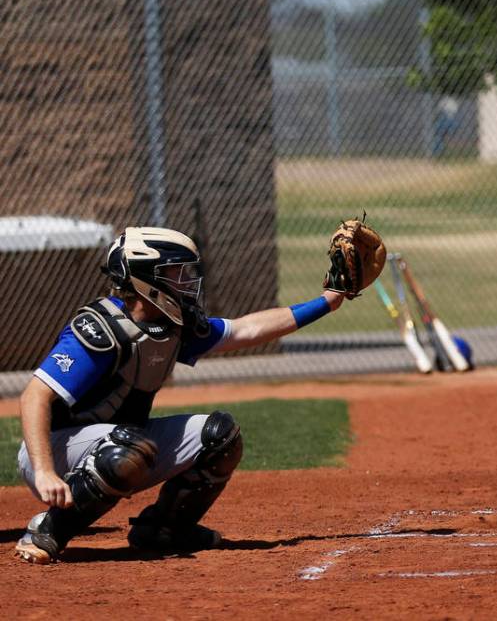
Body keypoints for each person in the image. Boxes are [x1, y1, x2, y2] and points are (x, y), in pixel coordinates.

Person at [14, 226, 350, 564]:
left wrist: (328, 302)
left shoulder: (175, 324)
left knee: (221, 436)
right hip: (53, 452)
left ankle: (164, 529)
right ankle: (47, 531)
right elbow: (34, 397)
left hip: (124, 443)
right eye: (174, 273)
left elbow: (247, 328)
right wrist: (44, 471)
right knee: (127, 446)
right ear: (146, 279)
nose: (185, 281)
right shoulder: (102, 330)